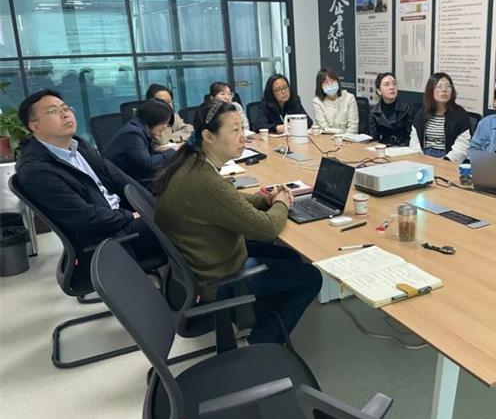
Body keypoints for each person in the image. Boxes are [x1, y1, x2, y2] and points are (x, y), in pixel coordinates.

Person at [153, 101, 322, 344]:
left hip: (205, 260)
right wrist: (282, 203)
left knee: (290, 257)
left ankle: (257, 315)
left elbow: (229, 200)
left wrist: (265, 199)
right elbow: (267, 229)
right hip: (218, 279)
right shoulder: (204, 181)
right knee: (311, 276)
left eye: (242, 128)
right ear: (208, 136)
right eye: (234, 130)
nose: (243, 137)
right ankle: (264, 342)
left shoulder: (192, 162)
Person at [15, 89, 162, 286]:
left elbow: (122, 180)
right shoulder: (37, 170)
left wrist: (151, 206)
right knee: (183, 224)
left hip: (119, 219)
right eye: (52, 111)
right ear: (34, 125)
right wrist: (131, 216)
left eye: (66, 108)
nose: (65, 114)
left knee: (177, 209)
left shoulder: (78, 146)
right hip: (107, 239)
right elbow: (85, 219)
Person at [105, 99, 178, 190]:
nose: (165, 127)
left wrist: (160, 151)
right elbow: (148, 165)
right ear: (154, 119)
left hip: (132, 177)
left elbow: (143, 157)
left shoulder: (139, 129)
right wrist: (172, 151)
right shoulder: (133, 133)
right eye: (164, 123)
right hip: (123, 184)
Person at [408, 72, 472, 163]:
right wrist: (420, 159)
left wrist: (445, 161)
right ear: (431, 91)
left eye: (448, 86)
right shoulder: (422, 114)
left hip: (448, 158)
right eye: (439, 86)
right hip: (424, 156)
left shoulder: (460, 115)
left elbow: (462, 146)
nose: (444, 90)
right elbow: (415, 141)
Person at [368, 72, 413, 146]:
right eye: (387, 84)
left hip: (404, 147)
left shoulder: (407, 108)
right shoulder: (374, 112)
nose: (392, 87)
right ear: (379, 91)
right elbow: (373, 138)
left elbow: (412, 135)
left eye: (394, 83)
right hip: (383, 147)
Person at [311, 67, 359, 134]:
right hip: (327, 138)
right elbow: (324, 127)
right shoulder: (317, 102)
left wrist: (344, 137)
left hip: (348, 138)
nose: (330, 84)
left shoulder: (349, 98)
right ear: (320, 86)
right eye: (326, 82)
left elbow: (353, 127)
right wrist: (339, 133)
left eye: (332, 80)